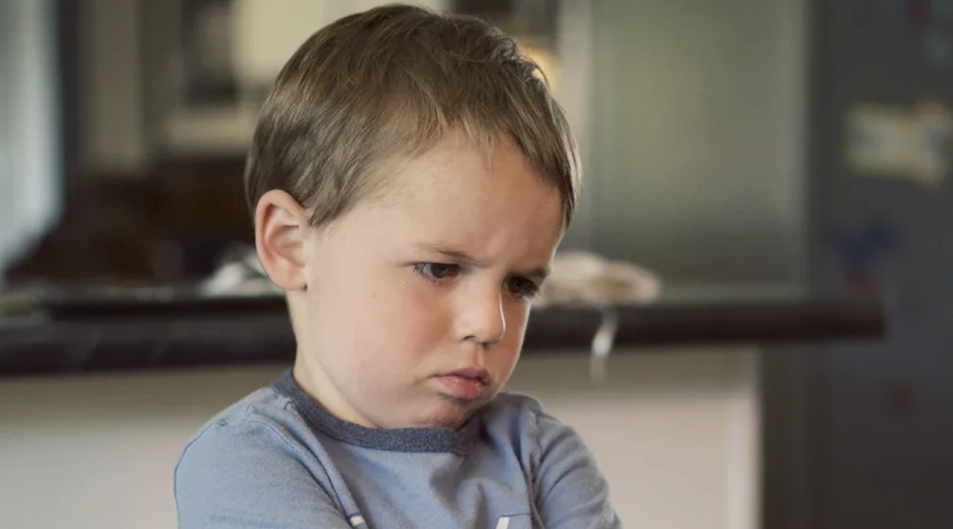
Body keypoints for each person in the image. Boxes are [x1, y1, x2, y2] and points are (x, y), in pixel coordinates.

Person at [173, 4, 621, 528]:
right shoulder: (245, 466)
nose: (490, 323)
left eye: (518, 284)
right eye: (440, 269)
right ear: (291, 246)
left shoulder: (544, 456)